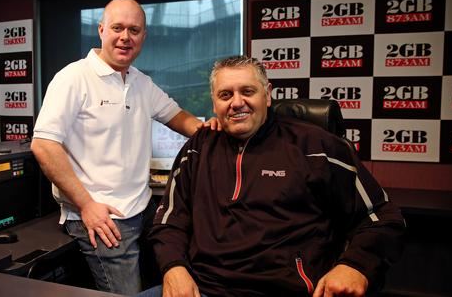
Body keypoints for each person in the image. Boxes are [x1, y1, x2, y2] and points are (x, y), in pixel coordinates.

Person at [144, 56, 405, 297]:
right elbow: (169, 221)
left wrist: (355, 266)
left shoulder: (316, 147)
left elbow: (381, 216)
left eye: (247, 91)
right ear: (214, 102)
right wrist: (173, 268)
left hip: (285, 290)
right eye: (225, 94)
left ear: (267, 95)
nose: (236, 102)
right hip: (203, 289)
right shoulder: (198, 147)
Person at [31, 0, 216, 295]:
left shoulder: (141, 82)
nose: (125, 37)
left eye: (134, 30)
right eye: (117, 27)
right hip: (101, 215)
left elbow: (176, 116)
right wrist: (86, 205)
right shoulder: (73, 78)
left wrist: (213, 131)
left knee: (177, 278)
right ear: (102, 30)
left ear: (143, 37)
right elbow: (44, 144)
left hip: (142, 209)